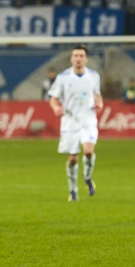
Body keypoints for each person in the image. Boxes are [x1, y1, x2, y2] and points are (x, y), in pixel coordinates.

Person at [48, 44, 103, 202]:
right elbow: (53, 98)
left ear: (86, 59)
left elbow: (97, 95)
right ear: (71, 58)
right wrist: (56, 108)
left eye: (81, 56)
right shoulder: (63, 77)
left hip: (88, 120)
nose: (78, 58)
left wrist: (100, 104)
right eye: (76, 56)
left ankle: (87, 176)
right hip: (70, 123)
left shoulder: (93, 76)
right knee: (72, 159)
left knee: (88, 151)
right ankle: (73, 190)